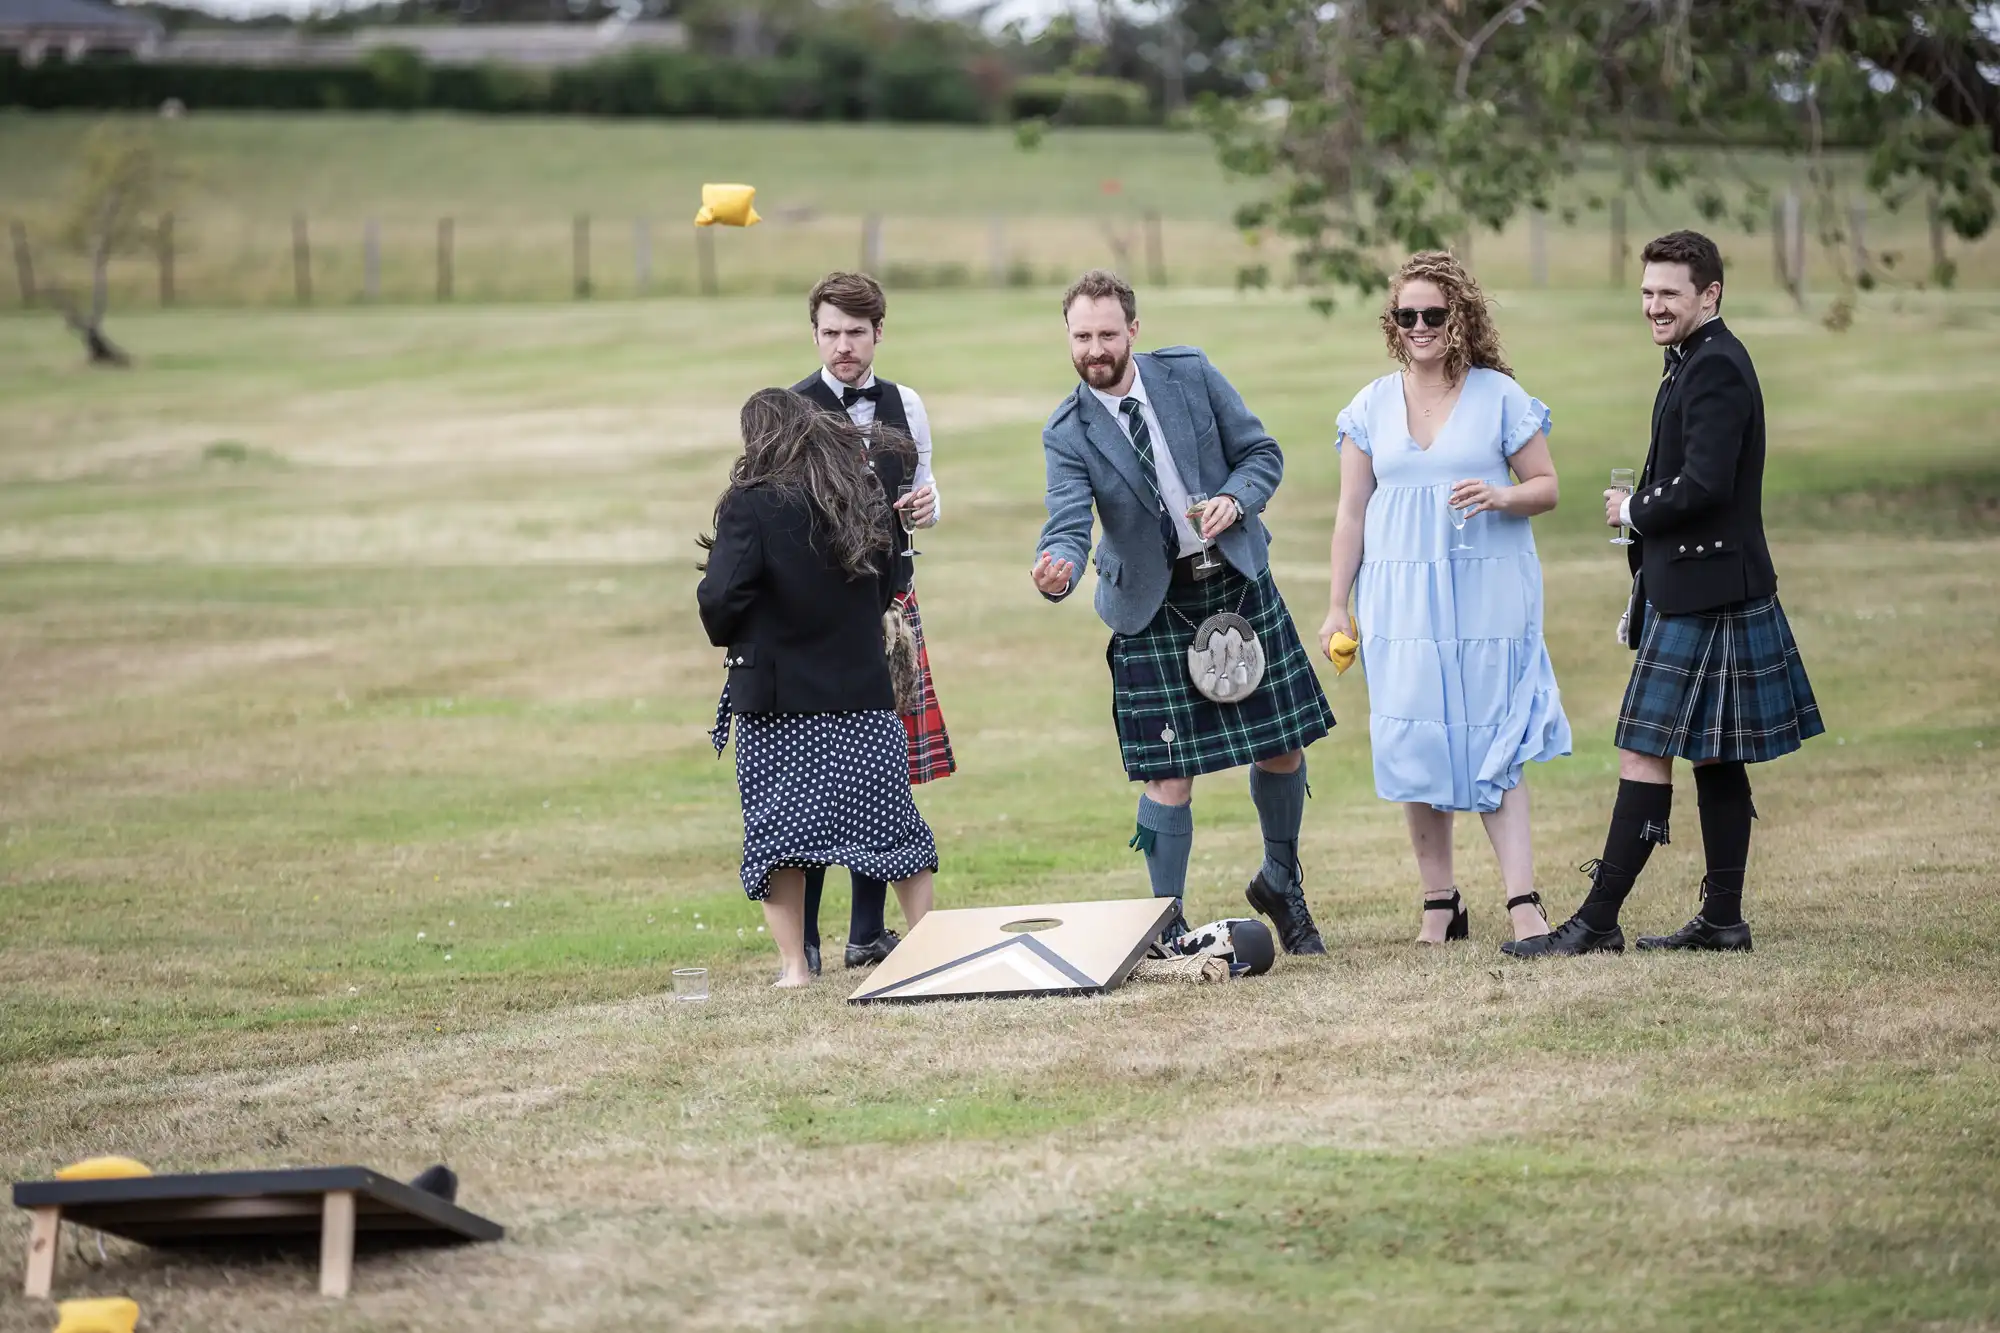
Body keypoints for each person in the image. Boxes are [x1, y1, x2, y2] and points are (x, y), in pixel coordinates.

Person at [1503, 230, 1824, 958]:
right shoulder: (1695, 359)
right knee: (1715, 753)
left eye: (1669, 294)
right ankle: (1723, 920)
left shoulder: (1714, 368)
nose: (1653, 306)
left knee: (1644, 749)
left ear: (1709, 294)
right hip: (1706, 584)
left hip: (1708, 591)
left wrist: (1635, 509)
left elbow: (1707, 482)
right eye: (1647, 293)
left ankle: (1597, 920)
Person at [1032, 269, 1335, 955]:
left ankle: (1281, 880)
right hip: (1153, 605)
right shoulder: (1068, 430)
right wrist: (1057, 570)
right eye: (1081, 336)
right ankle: (1165, 923)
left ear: (1133, 330)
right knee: (1169, 774)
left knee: (1282, 744)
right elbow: (1068, 524)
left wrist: (1236, 497)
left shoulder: (1189, 374)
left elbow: (1262, 453)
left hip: (1233, 580)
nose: (1095, 348)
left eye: (1108, 333)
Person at [1322, 251, 1571, 945]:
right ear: (1393, 323)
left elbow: (1547, 487)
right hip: (1399, 595)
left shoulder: (1499, 396)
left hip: (1487, 589)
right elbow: (1350, 514)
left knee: (1496, 732)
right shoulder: (1369, 406)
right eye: (1408, 315)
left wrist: (1501, 494)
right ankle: (1441, 901)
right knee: (1415, 737)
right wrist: (1337, 605)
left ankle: (1523, 901)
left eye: (1434, 313)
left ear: (1459, 317)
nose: (1421, 326)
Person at [697, 388, 937, 987]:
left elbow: (720, 599)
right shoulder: (860, 494)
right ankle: (931, 951)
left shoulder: (748, 505)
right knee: (891, 823)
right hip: (862, 685)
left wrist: (739, 625)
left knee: (779, 831)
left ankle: (794, 967)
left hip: (777, 696)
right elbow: (887, 584)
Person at [789, 271, 953, 976]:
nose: (843, 347)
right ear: (816, 332)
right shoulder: (792, 409)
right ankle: (811, 943)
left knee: (881, 770)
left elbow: (929, 489)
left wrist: (925, 505)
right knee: (820, 773)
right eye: (830, 333)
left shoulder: (905, 402)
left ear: (879, 333)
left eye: (856, 333)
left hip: (891, 610)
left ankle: (866, 932)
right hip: (822, 614)